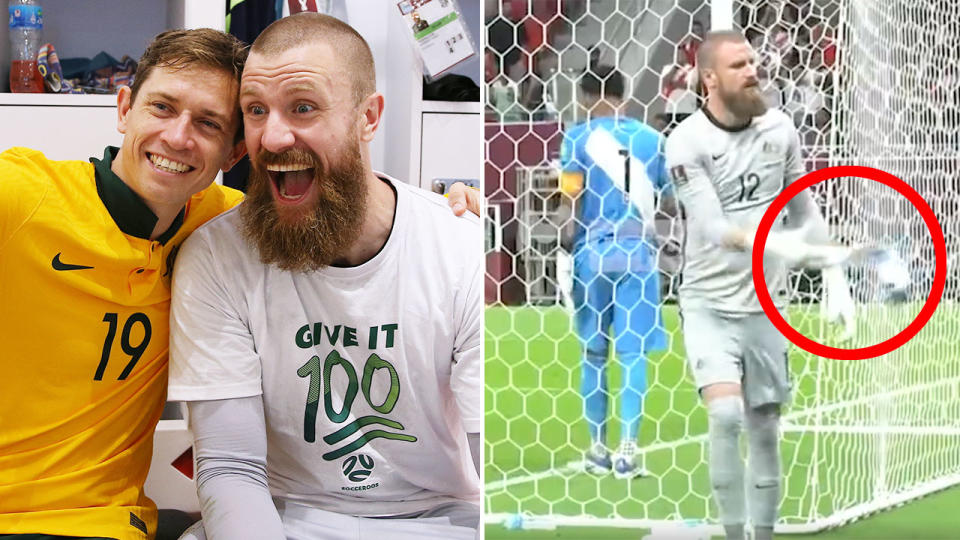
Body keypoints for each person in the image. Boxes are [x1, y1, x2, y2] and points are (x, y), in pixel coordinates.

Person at [0, 27, 479, 540]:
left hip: (117, 524)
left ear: (230, 157)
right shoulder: (27, 195)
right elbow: (230, 465)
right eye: (162, 107)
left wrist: (468, 215)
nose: (179, 138)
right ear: (124, 109)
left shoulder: (229, 228)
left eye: (209, 123)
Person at [166, 13, 481, 540]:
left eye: (304, 108)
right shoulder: (216, 256)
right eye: (255, 111)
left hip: (442, 521)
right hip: (282, 520)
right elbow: (231, 467)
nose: (273, 135)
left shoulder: (461, 248)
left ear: (368, 117)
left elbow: (500, 458)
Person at [663, 31, 855, 540]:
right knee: (725, 415)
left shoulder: (781, 130)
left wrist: (833, 271)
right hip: (709, 304)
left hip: (767, 309)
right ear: (709, 79)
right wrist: (785, 248)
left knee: (765, 429)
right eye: (738, 65)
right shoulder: (686, 142)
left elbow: (803, 207)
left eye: (752, 61)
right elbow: (714, 230)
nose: (752, 71)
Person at [559, 65, 677, 480]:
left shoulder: (577, 138)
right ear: (625, 95)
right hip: (638, 256)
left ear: (584, 98)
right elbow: (671, 200)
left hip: (593, 255)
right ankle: (628, 452)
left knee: (594, 353)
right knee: (632, 354)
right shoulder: (652, 140)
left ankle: (596, 450)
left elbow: (569, 200)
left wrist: (568, 236)